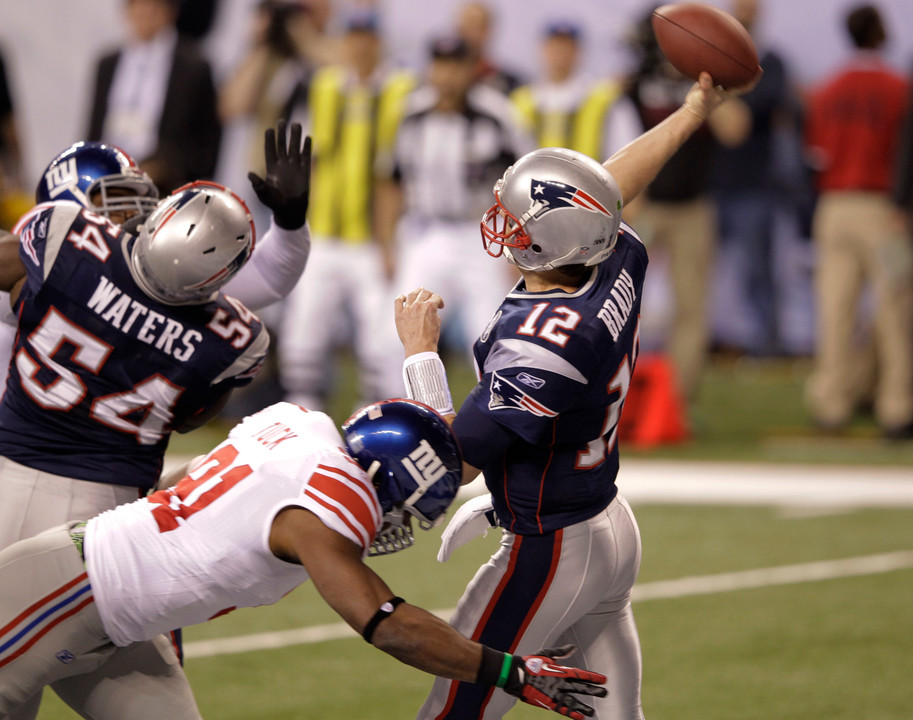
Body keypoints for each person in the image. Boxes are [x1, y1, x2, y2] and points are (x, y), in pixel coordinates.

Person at [392, 70, 748, 719]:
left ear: (546, 240)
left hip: (551, 544)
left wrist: (419, 352)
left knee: (452, 712)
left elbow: (449, 463)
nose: (501, 222)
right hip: (606, 520)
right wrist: (691, 110)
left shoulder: (542, 341)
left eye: (515, 217)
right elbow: (609, 187)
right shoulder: (613, 255)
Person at [0, 399, 607, 720]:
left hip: (119, 621)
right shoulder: (330, 505)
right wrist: (511, 673)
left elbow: (180, 481)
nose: (394, 524)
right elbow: (389, 626)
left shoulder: (299, 424)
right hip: (65, 592)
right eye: (405, 507)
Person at [0, 123, 310, 719]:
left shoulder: (61, 241)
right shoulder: (230, 334)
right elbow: (195, 415)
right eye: (112, 202)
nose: (130, 213)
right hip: (106, 528)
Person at [276, 9, 415, 412]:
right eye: (353, 36)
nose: (359, 45)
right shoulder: (325, 86)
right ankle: (298, 413)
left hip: (371, 237)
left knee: (378, 334)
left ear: (379, 42)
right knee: (304, 328)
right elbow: (311, 158)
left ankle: (371, 415)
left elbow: (397, 172)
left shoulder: (399, 89)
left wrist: (390, 237)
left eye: (366, 36)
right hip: (324, 230)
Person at [376, 35, 533, 364]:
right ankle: (406, 412)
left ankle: (492, 413)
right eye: (440, 64)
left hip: (482, 236)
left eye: (455, 65)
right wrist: (388, 243)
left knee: (492, 335)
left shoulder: (497, 114)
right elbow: (392, 181)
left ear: (470, 69)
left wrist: (518, 248)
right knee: (397, 335)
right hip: (425, 230)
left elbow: (526, 181)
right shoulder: (411, 114)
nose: (447, 74)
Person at [623, 9, 750, 405]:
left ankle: (676, 404)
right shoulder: (631, 85)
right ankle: (610, 398)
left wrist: (711, 83)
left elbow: (736, 131)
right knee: (616, 304)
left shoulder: (702, 82)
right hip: (644, 206)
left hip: (692, 205)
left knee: (691, 308)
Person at [803, 3, 913, 439]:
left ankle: (831, 404)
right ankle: (896, 408)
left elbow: (816, 158)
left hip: (834, 207)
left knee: (835, 312)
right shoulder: (898, 87)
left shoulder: (827, 89)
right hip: (883, 209)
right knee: (895, 314)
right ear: (881, 34)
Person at [709, 0, 791, 357]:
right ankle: (708, 343)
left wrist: (716, 101)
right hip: (709, 184)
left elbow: (736, 128)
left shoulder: (770, 63)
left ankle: (767, 348)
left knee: (758, 272)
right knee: (701, 276)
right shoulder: (710, 63)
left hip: (753, 184)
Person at [87, 0, 221, 194]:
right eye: (139, 5)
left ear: (171, 11)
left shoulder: (194, 68)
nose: (146, 13)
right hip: (105, 180)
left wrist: (168, 169)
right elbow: (93, 128)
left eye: (154, 6)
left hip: (163, 186)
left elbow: (207, 141)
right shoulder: (107, 63)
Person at [510, 20, 642, 163]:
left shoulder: (605, 99)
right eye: (555, 46)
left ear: (579, 52)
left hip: (591, 184)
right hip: (530, 184)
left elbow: (626, 154)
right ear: (542, 49)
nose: (560, 54)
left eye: (568, 47)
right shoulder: (520, 101)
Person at [455, 1, 524, 95]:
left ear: (488, 31)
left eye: (476, 26)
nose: (468, 33)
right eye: (464, 26)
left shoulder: (509, 83)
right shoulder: (442, 83)